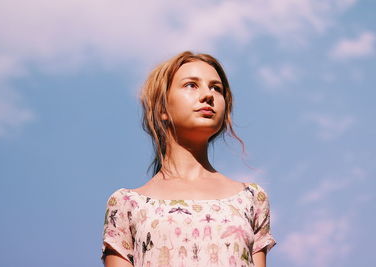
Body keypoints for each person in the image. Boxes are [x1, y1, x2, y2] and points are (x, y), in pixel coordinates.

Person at [101, 51, 276, 267]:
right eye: (191, 85)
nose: (208, 95)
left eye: (216, 88)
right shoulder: (126, 204)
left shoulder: (251, 199)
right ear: (162, 108)